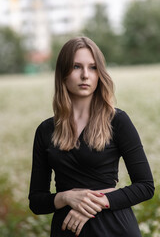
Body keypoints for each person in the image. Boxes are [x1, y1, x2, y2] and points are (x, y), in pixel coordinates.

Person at [28, 36, 154, 237]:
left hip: (115, 228)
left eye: (93, 67)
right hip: (68, 230)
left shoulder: (118, 121)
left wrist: (95, 203)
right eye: (77, 67)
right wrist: (67, 198)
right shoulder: (45, 131)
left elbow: (145, 187)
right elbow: (36, 201)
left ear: (100, 74)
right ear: (62, 73)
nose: (85, 75)